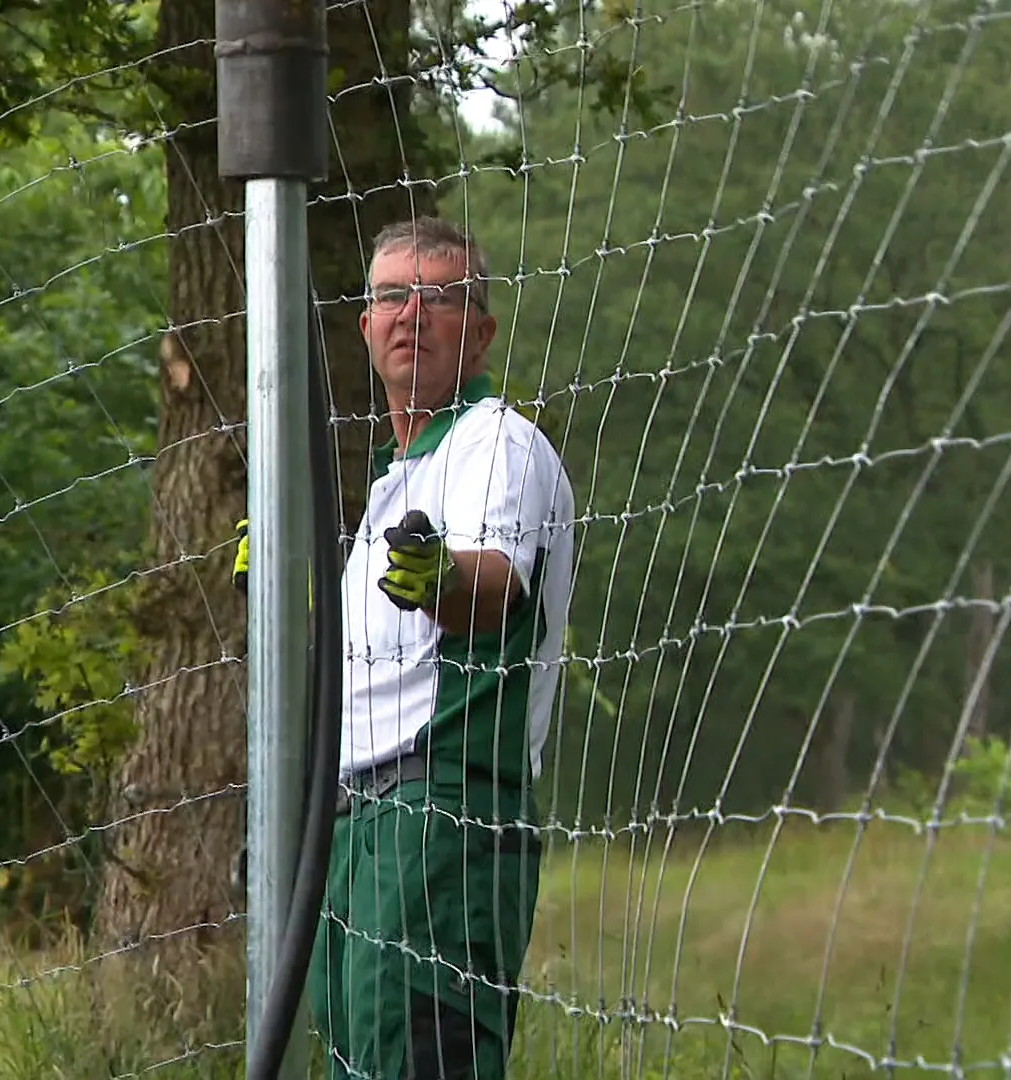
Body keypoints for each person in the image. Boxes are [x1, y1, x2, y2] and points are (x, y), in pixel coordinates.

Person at [237, 216, 577, 1080]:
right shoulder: (398, 481)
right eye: (392, 296)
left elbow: (492, 582)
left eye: (440, 298)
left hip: (441, 822)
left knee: (422, 1061)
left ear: (482, 331)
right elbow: (363, 665)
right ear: (365, 325)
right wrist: (285, 589)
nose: (411, 315)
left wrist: (442, 581)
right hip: (357, 830)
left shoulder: (493, 440)